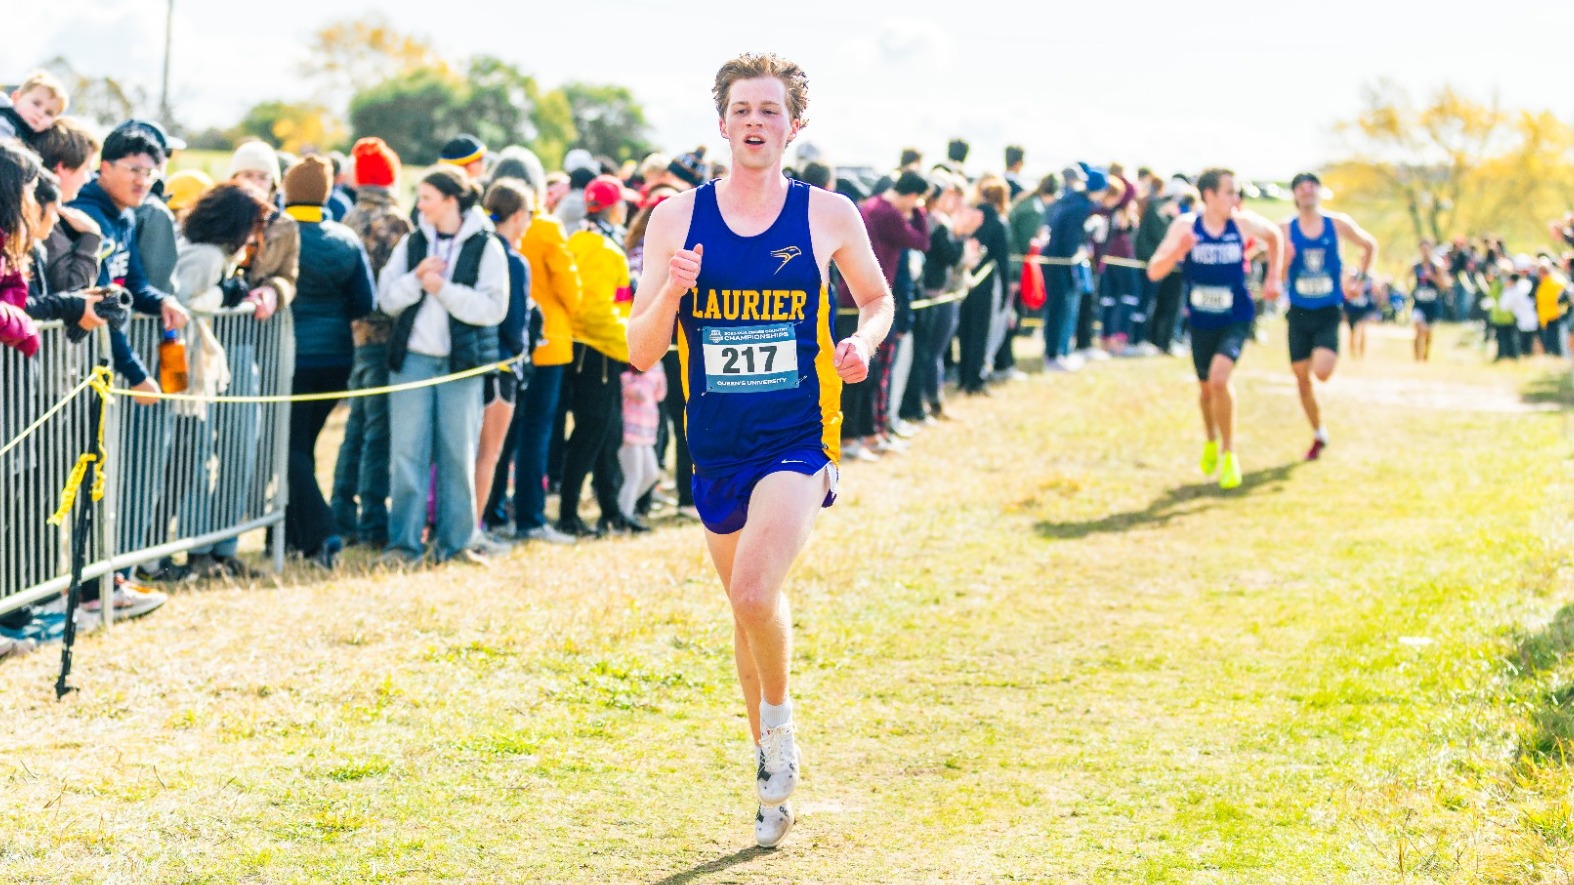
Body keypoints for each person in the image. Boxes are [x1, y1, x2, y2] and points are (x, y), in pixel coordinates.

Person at [626, 52, 894, 849]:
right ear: (721, 121)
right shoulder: (676, 217)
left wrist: (864, 341)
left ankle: (780, 740)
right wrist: (673, 290)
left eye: (770, 110)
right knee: (747, 616)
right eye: (742, 108)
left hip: (797, 439)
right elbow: (642, 350)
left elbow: (877, 299)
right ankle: (769, 787)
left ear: (793, 125)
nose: (755, 122)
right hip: (714, 445)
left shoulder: (828, 214)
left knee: (752, 591)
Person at [1146, 168, 1284, 491]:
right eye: (1229, 192)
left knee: (1221, 380)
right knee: (1207, 389)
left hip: (1236, 315)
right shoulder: (1186, 225)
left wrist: (1274, 276)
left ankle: (1229, 453)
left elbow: (1275, 235)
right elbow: (1154, 271)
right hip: (1201, 319)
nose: (1236, 199)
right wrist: (1180, 251)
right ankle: (1210, 438)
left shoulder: (1242, 223)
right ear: (1209, 195)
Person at [279, 156, 375, 568]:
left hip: (292, 356)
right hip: (337, 356)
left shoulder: (278, 234)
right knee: (304, 444)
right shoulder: (345, 238)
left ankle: (322, 532)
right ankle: (292, 535)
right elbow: (365, 302)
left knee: (289, 449)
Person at [483, 147, 582, 544]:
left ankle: (491, 511)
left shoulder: (488, 225)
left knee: (499, 435)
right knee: (537, 433)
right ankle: (530, 517)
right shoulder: (547, 227)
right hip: (549, 343)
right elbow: (569, 289)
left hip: (504, 344)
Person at [330, 137, 412, 548]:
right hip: (384, 337)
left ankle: (341, 514)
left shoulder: (346, 219)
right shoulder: (396, 222)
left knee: (355, 428)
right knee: (379, 433)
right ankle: (373, 523)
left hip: (352, 337)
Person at [559, 173, 639, 537]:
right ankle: (568, 515)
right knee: (590, 436)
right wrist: (630, 346)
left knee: (605, 434)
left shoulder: (586, 240)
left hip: (597, 350)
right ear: (613, 208)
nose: (626, 208)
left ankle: (611, 510)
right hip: (597, 353)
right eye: (622, 203)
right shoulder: (601, 248)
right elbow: (594, 311)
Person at [1280, 171, 1377, 461]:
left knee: (1321, 372)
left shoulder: (1336, 225)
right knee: (1301, 379)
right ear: (1295, 194)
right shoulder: (1284, 229)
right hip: (1297, 312)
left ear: (1319, 192)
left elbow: (1369, 245)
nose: (1307, 191)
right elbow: (1276, 272)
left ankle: (1319, 426)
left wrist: (1360, 278)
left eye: (1312, 187)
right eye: (1301, 187)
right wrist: (1284, 261)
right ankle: (1319, 432)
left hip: (1327, 310)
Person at [474, 178, 533, 532]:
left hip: (471, 363)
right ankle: (472, 530)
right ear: (519, 216)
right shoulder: (512, 260)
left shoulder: (477, 249)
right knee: (487, 455)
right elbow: (514, 325)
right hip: (501, 368)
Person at [617, 361, 666, 525]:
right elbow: (640, 393)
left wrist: (658, 374)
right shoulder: (626, 376)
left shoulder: (655, 371)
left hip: (646, 433)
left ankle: (620, 506)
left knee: (651, 474)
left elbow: (660, 394)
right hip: (629, 433)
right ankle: (624, 515)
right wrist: (650, 376)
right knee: (634, 476)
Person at [0, 70, 68, 146]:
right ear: (16, 98)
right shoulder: (4, 120)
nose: (40, 114)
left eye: (48, 113)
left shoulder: (35, 142)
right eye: (36, 104)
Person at [1411, 240, 1446, 362]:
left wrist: (1432, 277)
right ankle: (1417, 358)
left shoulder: (1437, 265)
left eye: (1427, 249)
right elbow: (1407, 277)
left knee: (1428, 333)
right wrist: (1411, 290)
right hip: (1419, 302)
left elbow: (1444, 285)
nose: (1425, 252)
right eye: (1422, 249)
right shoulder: (1416, 265)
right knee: (1419, 328)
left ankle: (1425, 356)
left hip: (1432, 303)